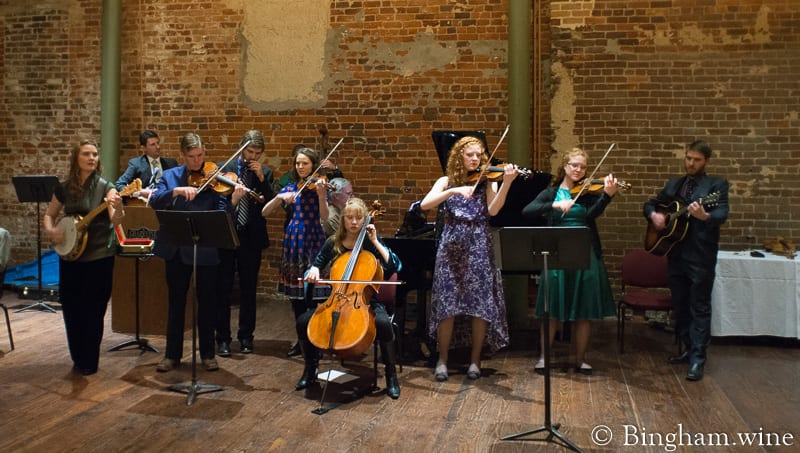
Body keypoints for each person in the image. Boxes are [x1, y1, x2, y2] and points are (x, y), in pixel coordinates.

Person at [420, 135, 519, 381]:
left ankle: (475, 361)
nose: (475, 159)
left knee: (479, 306)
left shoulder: (487, 181)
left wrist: (506, 183)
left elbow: (494, 210)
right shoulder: (445, 180)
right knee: (447, 306)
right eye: (470, 155)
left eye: (478, 155)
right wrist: (453, 189)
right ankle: (442, 359)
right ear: (459, 157)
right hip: (451, 249)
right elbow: (425, 205)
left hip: (479, 247)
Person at [149, 132, 246, 372]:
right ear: (184, 155)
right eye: (192, 157)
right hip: (176, 247)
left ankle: (207, 354)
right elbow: (155, 201)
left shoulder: (214, 178)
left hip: (205, 249)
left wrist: (233, 200)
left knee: (208, 303)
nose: (197, 161)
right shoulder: (170, 176)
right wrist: (177, 192)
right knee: (176, 303)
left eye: (200, 155)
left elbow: (224, 215)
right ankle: (172, 355)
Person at [522, 147, 618, 376]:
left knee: (583, 310)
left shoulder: (587, 194)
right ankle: (544, 357)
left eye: (583, 167)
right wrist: (554, 205)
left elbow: (592, 215)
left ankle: (580, 358)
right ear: (564, 166)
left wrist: (607, 196)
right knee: (551, 307)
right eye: (574, 165)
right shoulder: (551, 193)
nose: (578, 170)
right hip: (556, 252)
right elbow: (528, 210)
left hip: (585, 252)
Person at [299, 197, 402, 398]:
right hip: (336, 298)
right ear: (343, 220)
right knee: (303, 321)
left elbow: (394, 267)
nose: (354, 222)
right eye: (349, 218)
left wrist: (374, 240)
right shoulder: (333, 243)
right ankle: (310, 370)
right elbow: (316, 265)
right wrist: (312, 271)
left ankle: (391, 376)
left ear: (365, 220)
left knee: (382, 323)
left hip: (365, 301)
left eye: (358, 218)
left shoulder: (370, 242)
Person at [643, 140, 729, 381]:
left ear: (706, 161)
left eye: (697, 160)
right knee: (680, 305)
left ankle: (698, 360)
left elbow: (722, 213)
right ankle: (688, 350)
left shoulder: (716, 186)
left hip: (701, 256)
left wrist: (705, 215)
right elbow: (650, 204)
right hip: (676, 254)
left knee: (699, 306)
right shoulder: (675, 184)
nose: (691, 163)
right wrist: (655, 215)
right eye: (688, 158)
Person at [43, 139, 124, 375]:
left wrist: (117, 206)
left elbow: (115, 220)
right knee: (71, 307)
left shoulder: (105, 187)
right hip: (70, 256)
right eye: (86, 154)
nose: (92, 158)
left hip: (99, 256)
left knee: (93, 309)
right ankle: (77, 355)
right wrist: (51, 231)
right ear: (76, 159)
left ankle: (89, 360)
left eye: (95, 154)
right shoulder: (64, 187)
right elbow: (50, 214)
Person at [262, 146, 330, 357]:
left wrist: (321, 195)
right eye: (298, 163)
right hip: (294, 239)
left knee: (314, 296)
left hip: (313, 238)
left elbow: (325, 217)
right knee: (297, 297)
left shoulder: (319, 186)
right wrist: (279, 199)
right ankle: (301, 340)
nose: (301, 167)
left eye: (305, 163)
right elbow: (264, 212)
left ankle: (316, 339)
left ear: (313, 165)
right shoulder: (291, 187)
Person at [214, 130, 275, 356]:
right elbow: (216, 202)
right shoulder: (224, 168)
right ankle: (222, 338)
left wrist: (261, 179)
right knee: (224, 287)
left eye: (258, 153)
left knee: (249, 289)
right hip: (228, 234)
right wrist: (233, 199)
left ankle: (246, 337)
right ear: (241, 148)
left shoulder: (264, 172)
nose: (253, 157)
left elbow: (270, 203)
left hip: (252, 236)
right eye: (250, 152)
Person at [115, 130, 178, 198]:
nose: (158, 147)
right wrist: (139, 193)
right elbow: (119, 184)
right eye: (153, 144)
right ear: (143, 148)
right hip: (146, 204)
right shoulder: (136, 164)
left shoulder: (171, 164)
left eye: (158, 143)